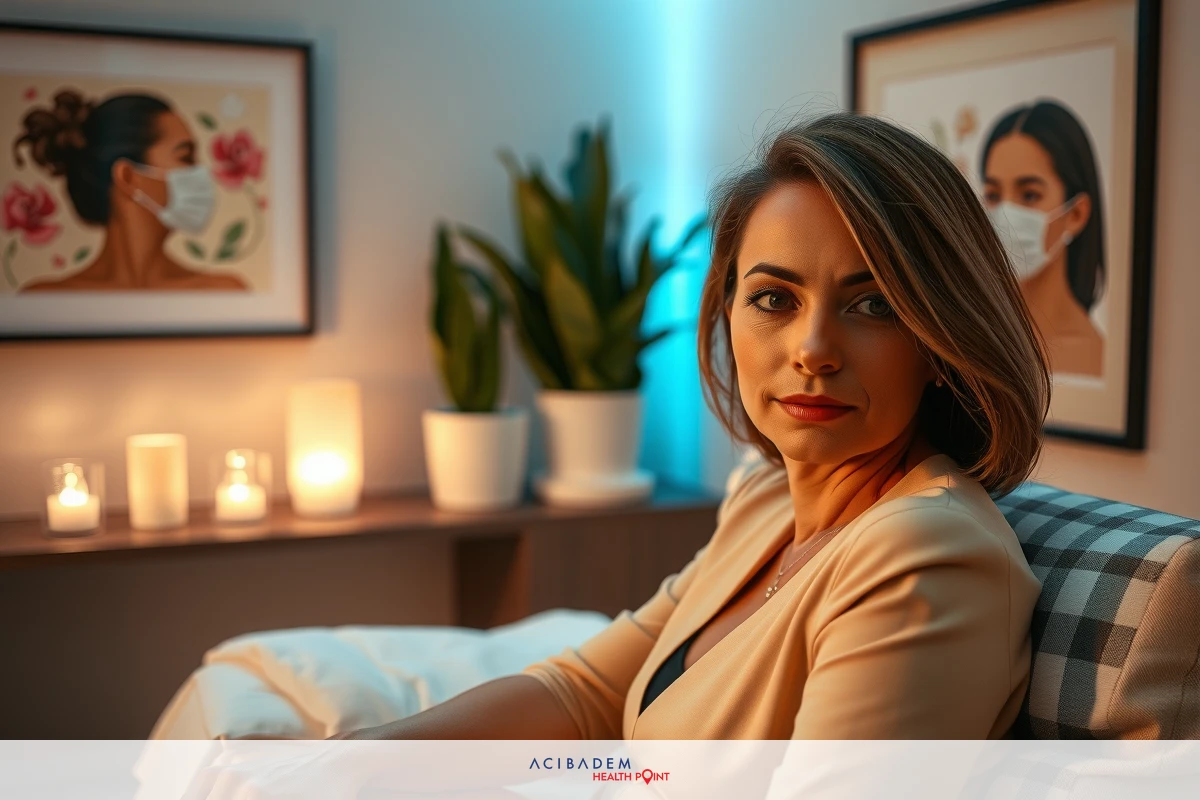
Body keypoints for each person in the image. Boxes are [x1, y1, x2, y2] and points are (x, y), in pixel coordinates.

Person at [334, 112, 1050, 741]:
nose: (812, 350)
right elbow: (588, 692)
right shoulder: (766, 502)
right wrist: (362, 760)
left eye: (873, 306)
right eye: (774, 298)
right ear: (727, 313)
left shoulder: (928, 557)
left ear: (938, 340)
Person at [11, 89, 246, 291]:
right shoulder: (46, 299)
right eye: (185, 157)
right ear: (128, 177)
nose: (201, 174)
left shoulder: (225, 291)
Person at [981, 99, 1105, 377]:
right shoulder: (976, 339)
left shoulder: (1092, 352)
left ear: (1076, 214)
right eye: (993, 195)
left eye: (1029, 195)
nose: (1005, 215)